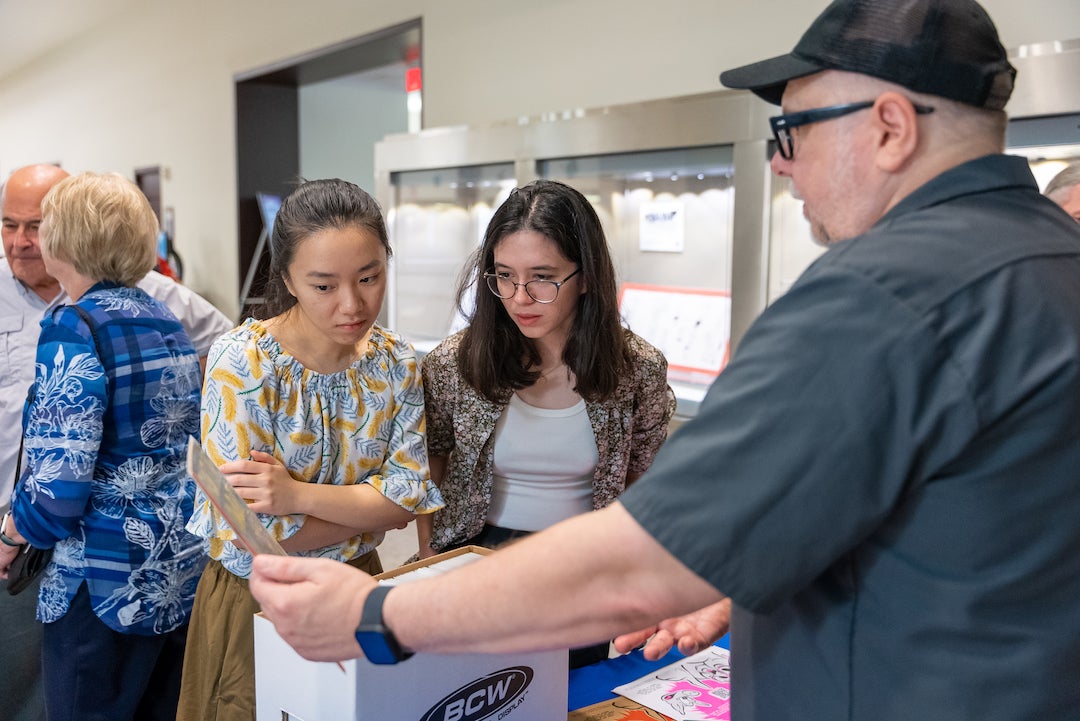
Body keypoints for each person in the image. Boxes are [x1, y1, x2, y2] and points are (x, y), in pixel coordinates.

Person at [249, 1, 1080, 720]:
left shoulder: (878, 299)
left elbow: (644, 557)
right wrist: (734, 586)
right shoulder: (1051, 261)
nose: (781, 162)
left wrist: (378, 612)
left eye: (793, 129)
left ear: (891, 128)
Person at [176, 178, 444, 721]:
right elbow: (251, 535)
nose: (353, 303)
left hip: (361, 583)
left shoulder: (397, 363)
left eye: (369, 277)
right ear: (288, 280)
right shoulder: (244, 362)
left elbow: (409, 497)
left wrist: (295, 493)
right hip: (261, 596)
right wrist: (369, 512)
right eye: (324, 286)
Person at [0, 163, 233, 721]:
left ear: (63, 240)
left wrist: (13, 535)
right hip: (172, 563)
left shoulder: (73, 326)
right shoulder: (163, 318)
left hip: (99, 578)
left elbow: (60, 477)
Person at [417, 180, 675, 665]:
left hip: (585, 569)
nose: (519, 298)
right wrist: (432, 555)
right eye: (503, 276)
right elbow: (432, 463)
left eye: (542, 277)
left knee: (575, 696)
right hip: (478, 560)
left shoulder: (636, 368)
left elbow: (644, 480)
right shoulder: (455, 363)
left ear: (585, 276)